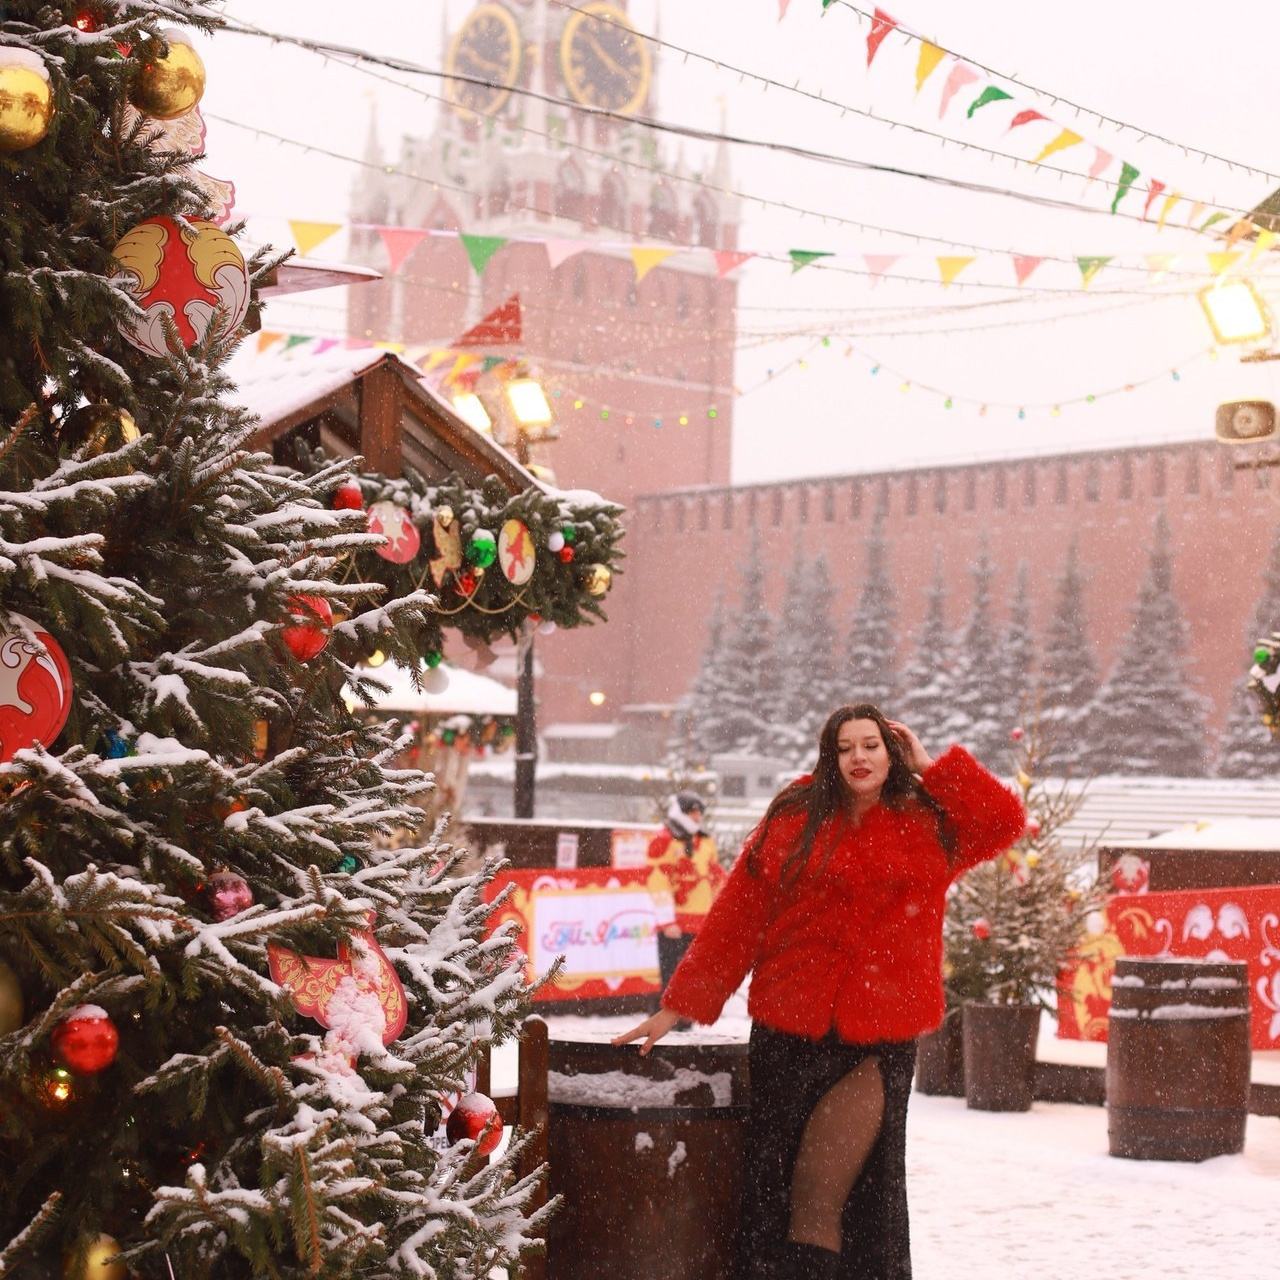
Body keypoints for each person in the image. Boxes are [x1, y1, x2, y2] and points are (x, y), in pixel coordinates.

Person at [613, 705, 1026, 1280]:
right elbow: (739, 916)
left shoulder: (927, 818)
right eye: (846, 747)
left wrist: (933, 768)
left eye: (872, 745)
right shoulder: (795, 814)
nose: (859, 757)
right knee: (777, 1189)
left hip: (878, 1040)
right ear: (829, 756)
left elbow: (1004, 821)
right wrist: (674, 1009)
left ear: (892, 752)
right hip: (789, 1030)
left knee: (854, 1198)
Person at [646, 791, 725, 994]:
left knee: (693, 977)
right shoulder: (664, 840)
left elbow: (716, 876)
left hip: (701, 922)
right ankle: (662, 1021)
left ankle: (685, 1021)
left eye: (699, 813)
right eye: (692, 813)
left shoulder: (706, 842)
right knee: (671, 976)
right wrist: (666, 920)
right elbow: (657, 882)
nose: (697, 818)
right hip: (676, 923)